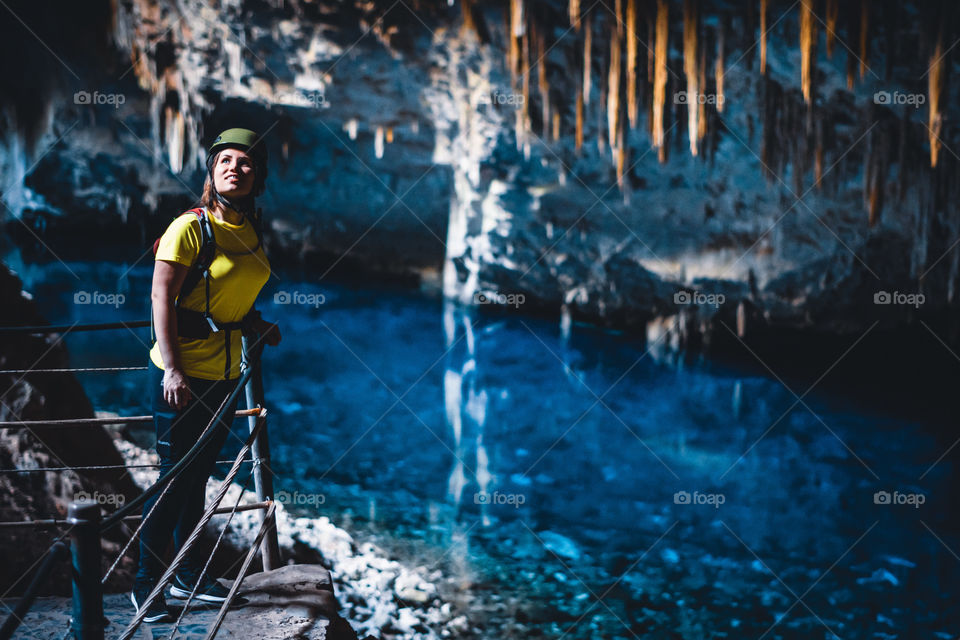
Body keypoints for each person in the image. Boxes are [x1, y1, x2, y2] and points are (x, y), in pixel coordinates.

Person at [131, 128, 282, 623]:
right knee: (174, 480)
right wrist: (172, 368)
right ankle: (145, 586)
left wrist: (254, 323)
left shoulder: (252, 228)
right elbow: (162, 300)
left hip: (224, 372)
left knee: (198, 478)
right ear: (212, 172)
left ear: (256, 177)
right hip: (183, 374)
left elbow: (238, 290)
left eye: (246, 163)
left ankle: (188, 572)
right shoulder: (189, 228)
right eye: (226, 161)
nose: (236, 168)